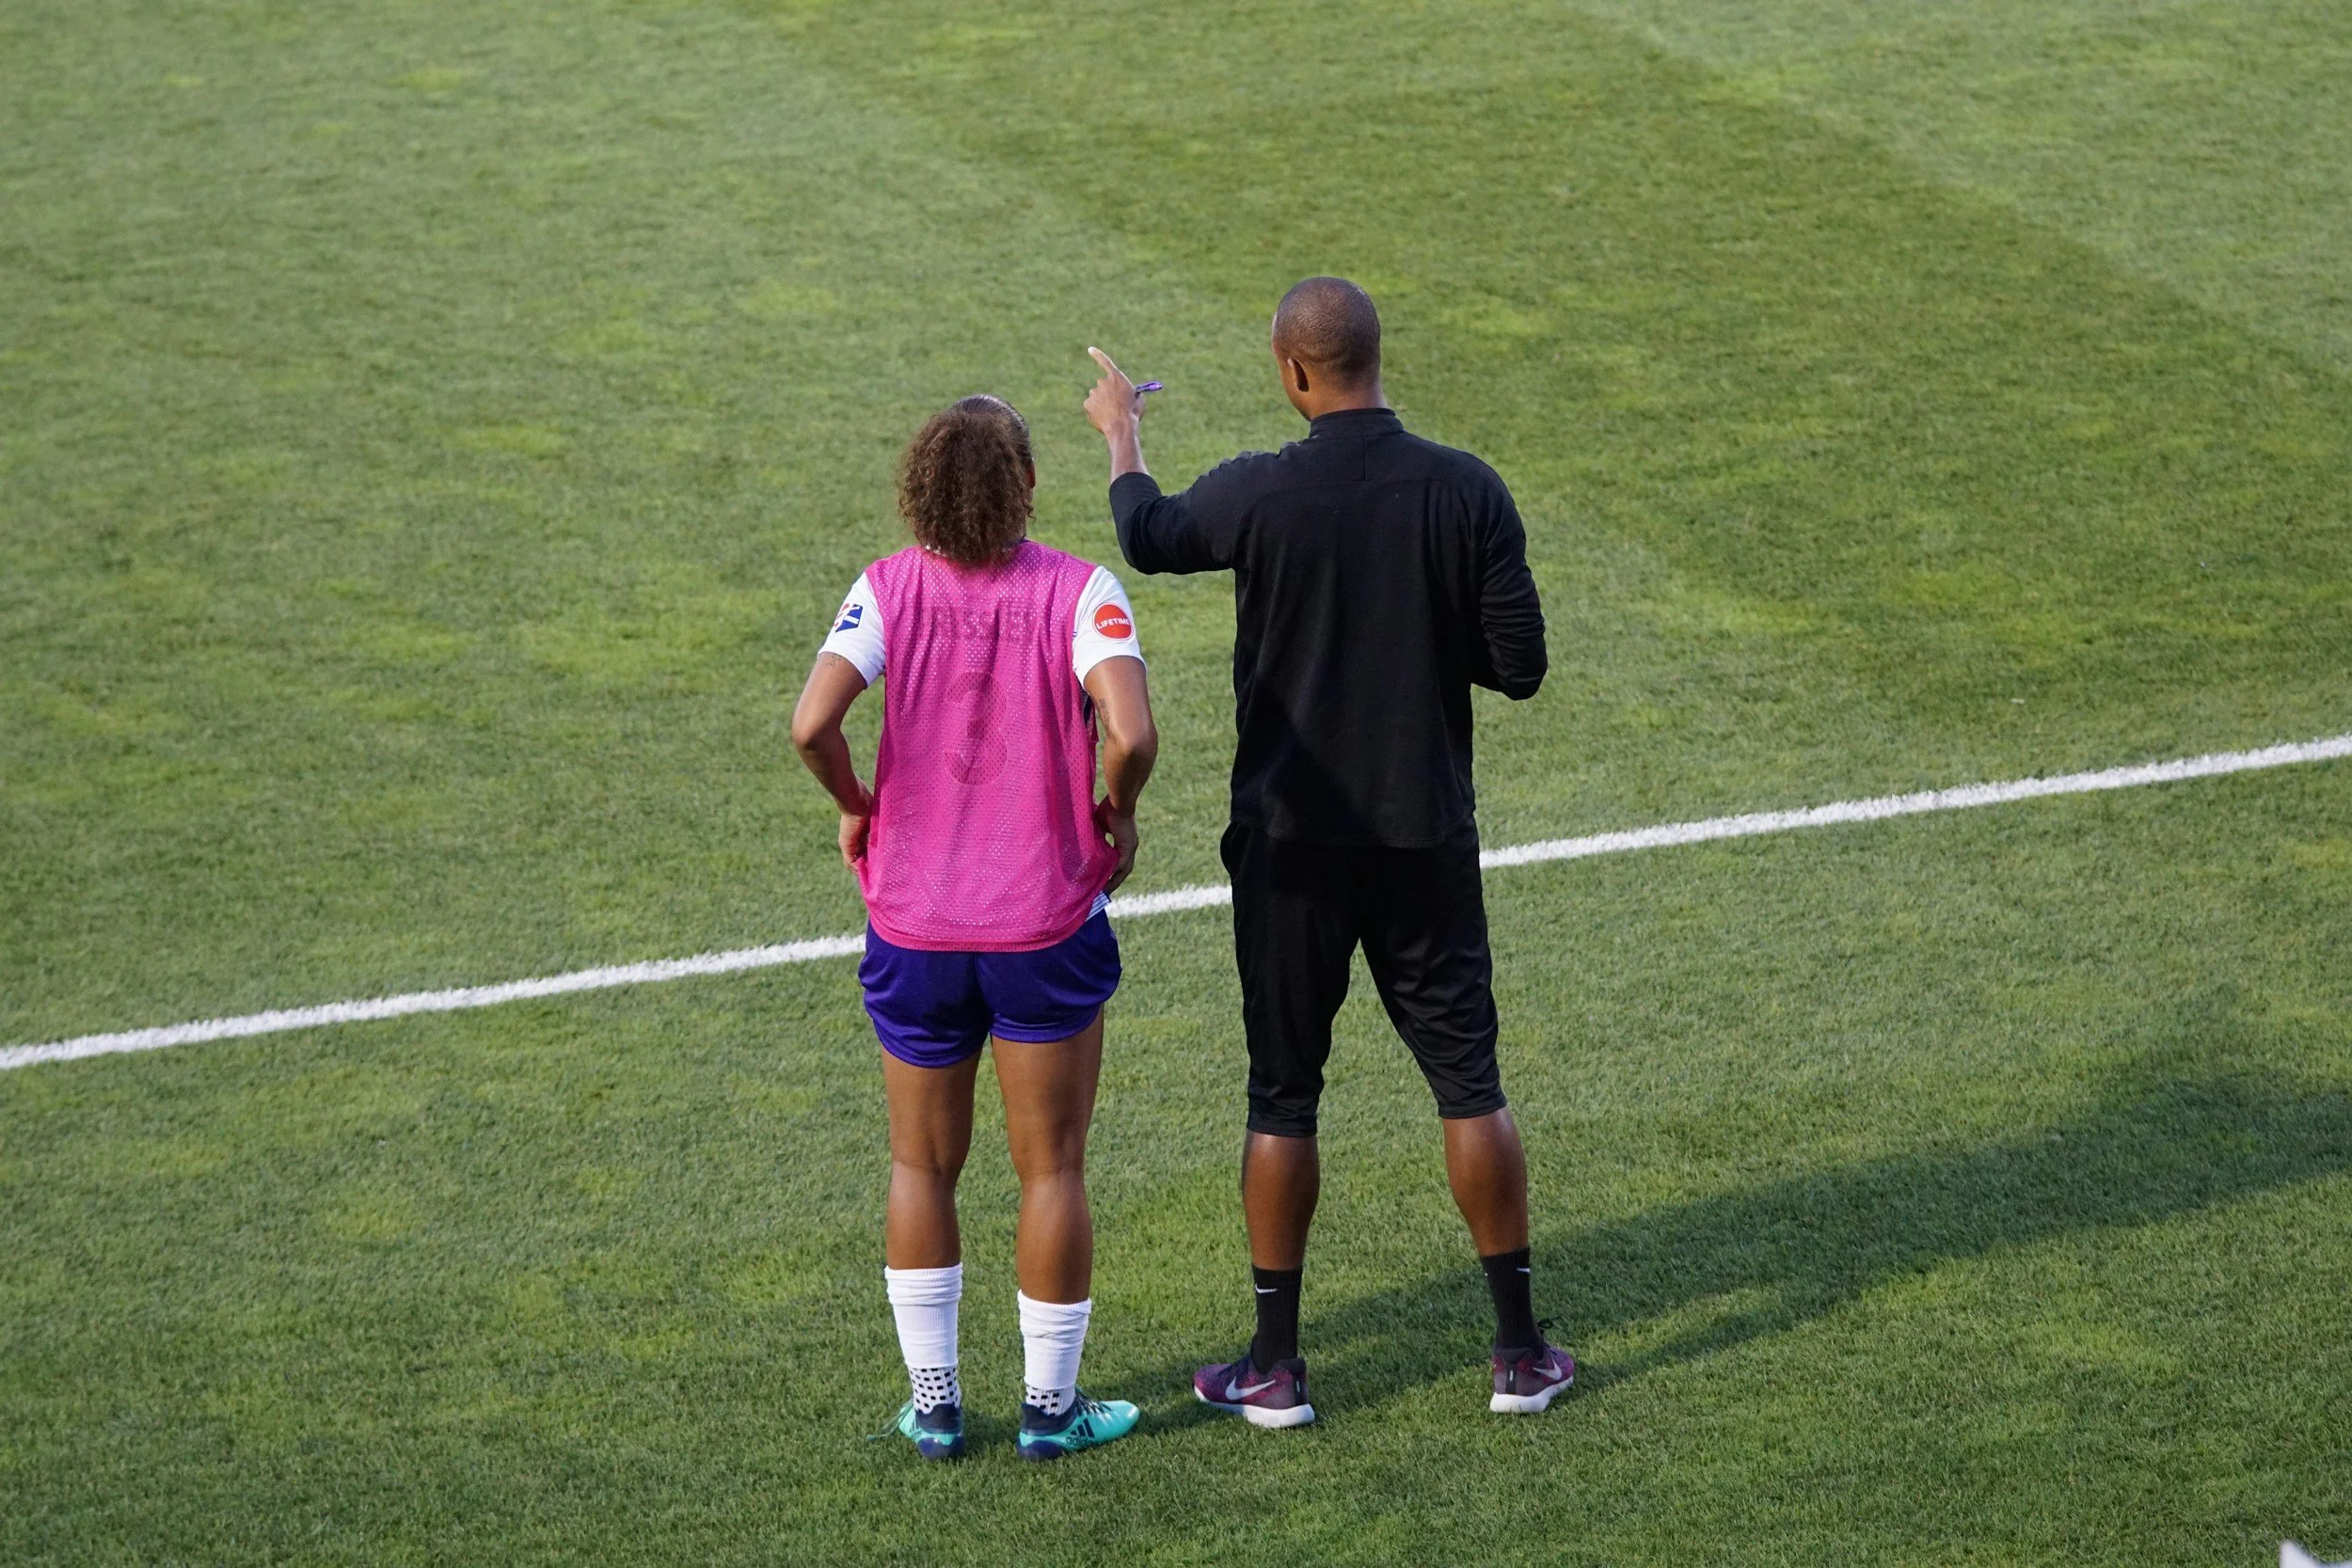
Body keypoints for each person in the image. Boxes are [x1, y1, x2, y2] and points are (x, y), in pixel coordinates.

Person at [1082, 277, 1574, 1426]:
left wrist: (1122, 433)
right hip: (1423, 840)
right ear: (1373, 357)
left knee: (1281, 1093)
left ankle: (1275, 1366)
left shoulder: (1262, 490)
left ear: (1292, 373)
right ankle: (1514, 1351)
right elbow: (1520, 666)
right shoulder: (1467, 491)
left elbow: (1148, 537)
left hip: (1289, 845)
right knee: (1469, 1083)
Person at [790, 394, 1159, 1462]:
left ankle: (937, 1404)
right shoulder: (1081, 589)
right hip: (1044, 923)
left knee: (921, 1165)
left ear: (920, 487)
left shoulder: (885, 588)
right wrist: (1116, 805)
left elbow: (810, 722)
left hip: (914, 930)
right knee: (1051, 1169)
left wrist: (856, 800)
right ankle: (1050, 1412)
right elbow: (1130, 729)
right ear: (1027, 487)